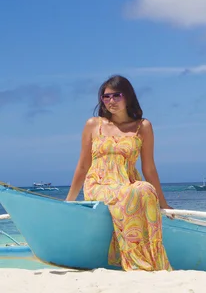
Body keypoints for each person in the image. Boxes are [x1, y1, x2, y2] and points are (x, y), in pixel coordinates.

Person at [65, 74, 172, 271]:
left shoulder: (143, 127)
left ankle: (152, 260)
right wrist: (69, 202)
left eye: (116, 96)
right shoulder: (93, 125)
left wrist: (163, 204)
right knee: (132, 193)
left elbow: (149, 168)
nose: (110, 101)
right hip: (99, 185)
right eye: (106, 97)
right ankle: (136, 263)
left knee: (145, 190)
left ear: (128, 97)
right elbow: (82, 166)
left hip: (128, 184)